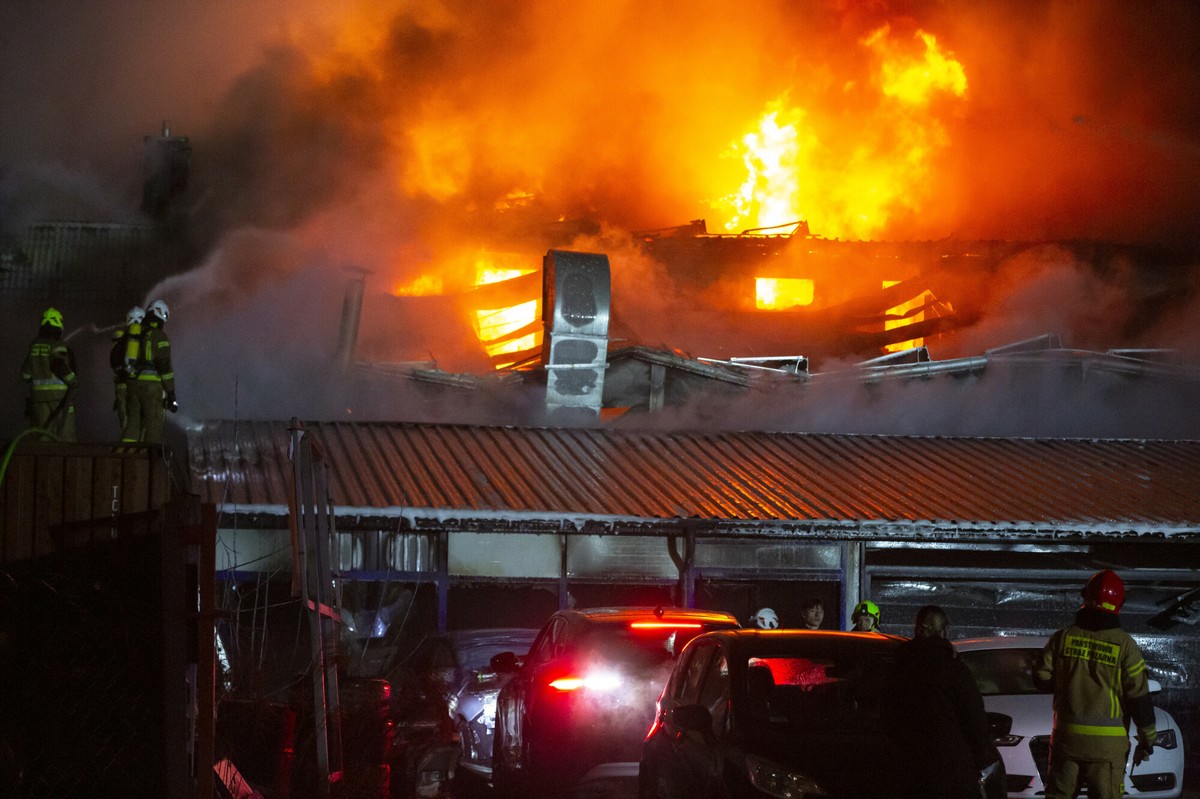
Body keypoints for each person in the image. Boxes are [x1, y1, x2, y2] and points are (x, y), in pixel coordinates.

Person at [1035, 569, 1156, 799]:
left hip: (1066, 743)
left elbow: (1041, 678)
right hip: (1107, 750)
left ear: (1085, 598)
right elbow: (1139, 697)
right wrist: (1148, 739)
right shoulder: (1125, 645)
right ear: (1118, 604)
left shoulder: (1062, 637)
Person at [884, 605, 1001, 799]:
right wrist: (980, 759)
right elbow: (975, 720)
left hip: (907, 770)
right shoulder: (953, 670)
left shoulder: (897, 669)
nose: (948, 631)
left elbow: (887, 715)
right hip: (950, 771)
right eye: (945, 626)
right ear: (937, 629)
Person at [124, 299, 177, 444]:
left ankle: (126, 457)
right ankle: (149, 460)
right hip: (151, 387)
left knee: (133, 424)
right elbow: (164, 366)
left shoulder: (136, 334)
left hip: (133, 385)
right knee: (154, 424)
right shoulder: (159, 336)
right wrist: (171, 393)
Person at [21, 307, 77, 442]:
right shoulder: (57, 344)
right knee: (66, 435)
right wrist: (72, 380)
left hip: (38, 399)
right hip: (60, 398)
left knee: (43, 437)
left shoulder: (34, 346)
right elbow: (59, 364)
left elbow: (25, 375)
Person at [110, 306, 144, 436]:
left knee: (126, 425)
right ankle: (140, 453)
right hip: (137, 388)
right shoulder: (143, 340)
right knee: (141, 425)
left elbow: (114, 365)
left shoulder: (119, 341)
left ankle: (129, 452)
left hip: (121, 388)